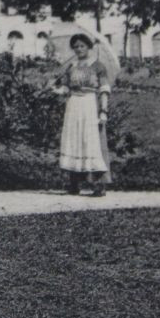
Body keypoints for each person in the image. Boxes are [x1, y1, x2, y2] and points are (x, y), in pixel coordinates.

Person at [50, 31, 115, 196]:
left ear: (89, 47)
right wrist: (54, 88)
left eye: (82, 46)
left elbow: (104, 90)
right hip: (73, 106)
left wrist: (103, 111)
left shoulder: (98, 66)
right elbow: (66, 89)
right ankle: (74, 183)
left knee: (91, 142)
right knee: (74, 140)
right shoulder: (71, 67)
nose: (79, 49)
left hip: (89, 104)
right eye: (76, 46)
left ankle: (99, 185)